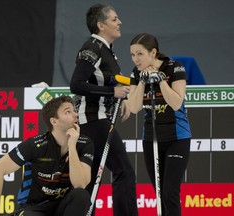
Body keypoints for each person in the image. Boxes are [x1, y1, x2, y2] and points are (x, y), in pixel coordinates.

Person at [70, 3, 138, 216]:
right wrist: (113, 93)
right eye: (114, 19)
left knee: (89, 181)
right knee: (124, 171)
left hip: (98, 120)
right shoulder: (92, 48)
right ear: (101, 25)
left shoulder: (107, 51)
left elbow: (107, 81)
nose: (120, 23)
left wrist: (121, 97)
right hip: (91, 120)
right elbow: (76, 84)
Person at [0, 95, 94, 216]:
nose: (75, 115)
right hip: (33, 208)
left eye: (74, 111)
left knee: (81, 195)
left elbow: (80, 184)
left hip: (61, 207)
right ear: (54, 121)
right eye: (68, 112)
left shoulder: (85, 143)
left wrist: (72, 146)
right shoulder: (35, 144)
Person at [127, 33, 191, 216]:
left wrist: (160, 80)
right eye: (132, 55)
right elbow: (133, 107)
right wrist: (142, 81)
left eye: (139, 54)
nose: (135, 59)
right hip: (151, 138)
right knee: (160, 194)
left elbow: (177, 103)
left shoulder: (174, 67)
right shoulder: (136, 72)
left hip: (177, 137)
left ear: (153, 52)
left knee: (170, 193)